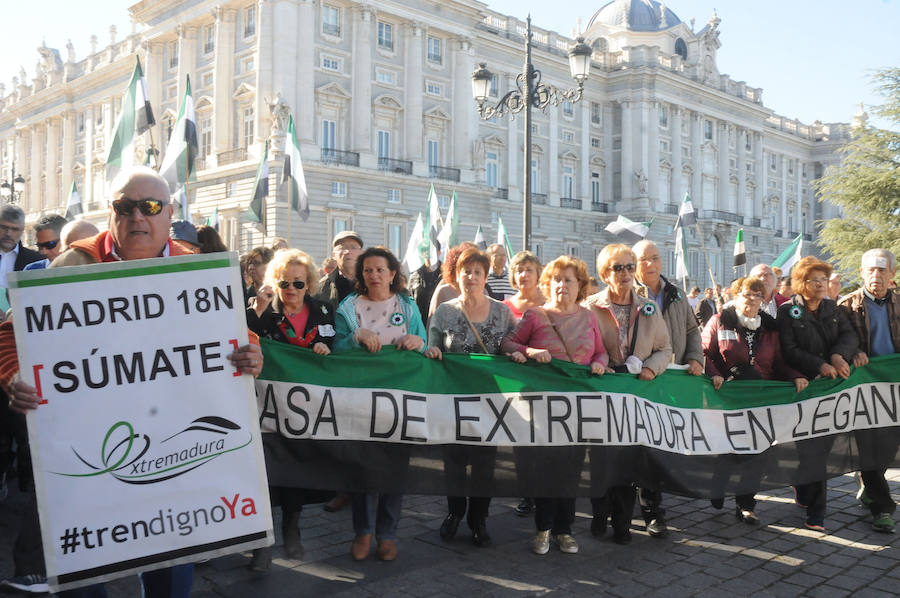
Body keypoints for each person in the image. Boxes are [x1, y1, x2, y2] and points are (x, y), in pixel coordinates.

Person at [0, 166, 264, 598]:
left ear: (170, 213)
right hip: (92, 448)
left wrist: (254, 353)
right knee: (84, 574)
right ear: (111, 213)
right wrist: (14, 376)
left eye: (151, 207)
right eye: (125, 207)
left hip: (174, 446)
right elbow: (11, 333)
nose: (137, 217)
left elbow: (235, 332)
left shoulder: (195, 268)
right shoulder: (75, 262)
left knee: (171, 567)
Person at [502, 256, 609, 556]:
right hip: (543, 406)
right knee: (547, 468)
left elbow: (600, 352)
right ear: (548, 285)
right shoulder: (535, 315)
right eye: (556, 280)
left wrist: (600, 364)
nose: (562, 285)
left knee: (573, 469)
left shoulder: (589, 317)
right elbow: (507, 344)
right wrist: (530, 350)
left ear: (580, 286)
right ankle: (543, 528)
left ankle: (565, 530)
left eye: (568, 280)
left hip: (579, 406)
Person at [333, 246, 426, 562]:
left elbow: (424, 344)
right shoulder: (348, 308)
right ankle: (363, 531)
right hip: (361, 400)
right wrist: (355, 336)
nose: (373, 275)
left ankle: (387, 534)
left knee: (394, 471)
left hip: (400, 401)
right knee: (363, 470)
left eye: (380, 270)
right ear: (361, 275)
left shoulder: (408, 306)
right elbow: (337, 350)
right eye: (368, 270)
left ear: (392, 274)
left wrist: (417, 342)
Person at [245, 249, 335, 570]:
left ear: (309, 283)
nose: (292, 289)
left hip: (305, 409)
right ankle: (262, 543)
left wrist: (328, 348)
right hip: (266, 407)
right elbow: (242, 337)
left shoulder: (325, 310)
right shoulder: (264, 311)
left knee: (296, 469)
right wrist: (258, 308)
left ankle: (292, 527)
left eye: (298, 283)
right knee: (265, 474)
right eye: (285, 282)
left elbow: (339, 347)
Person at [425, 248, 516, 548]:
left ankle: (479, 518)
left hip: (490, 401)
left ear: (486, 277)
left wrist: (515, 352)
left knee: (484, 463)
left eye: (478, 272)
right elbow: (432, 346)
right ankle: (455, 512)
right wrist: (433, 352)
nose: (471, 277)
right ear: (457, 275)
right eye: (466, 271)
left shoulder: (503, 312)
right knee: (453, 460)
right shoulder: (444, 311)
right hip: (452, 399)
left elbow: (512, 345)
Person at [584, 243, 672, 544]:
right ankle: (599, 512)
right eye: (617, 267)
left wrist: (651, 368)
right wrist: (599, 364)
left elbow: (665, 348)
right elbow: (584, 348)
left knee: (629, 460)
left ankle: (622, 522)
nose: (625, 273)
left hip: (635, 391)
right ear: (605, 272)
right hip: (603, 390)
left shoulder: (648, 306)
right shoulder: (590, 306)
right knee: (601, 457)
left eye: (630, 266)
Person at [701, 277, 807, 524]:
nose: (751, 299)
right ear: (735, 295)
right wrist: (715, 374)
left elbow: (779, 361)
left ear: (763, 299)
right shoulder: (720, 321)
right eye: (747, 294)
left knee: (757, 452)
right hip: (730, 396)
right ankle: (720, 480)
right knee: (731, 449)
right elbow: (703, 352)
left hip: (762, 397)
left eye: (757, 295)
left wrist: (796, 376)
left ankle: (746, 504)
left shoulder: (769, 328)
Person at [777, 256, 859, 532]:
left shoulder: (832, 308)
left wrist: (839, 355)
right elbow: (788, 350)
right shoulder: (788, 311)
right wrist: (818, 365)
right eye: (816, 280)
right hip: (805, 388)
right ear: (802, 283)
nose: (823, 284)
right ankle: (808, 497)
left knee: (820, 451)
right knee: (806, 448)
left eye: (825, 279)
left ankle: (817, 511)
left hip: (832, 390)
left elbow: (849, 336)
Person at [632, 240, 703, 538]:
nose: (650, 264)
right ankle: (652, 510)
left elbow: (691, 329)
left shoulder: (676, 293)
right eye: (643, 259)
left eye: (655, 258)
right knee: (645, 443)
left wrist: (696, 357)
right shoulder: (629, 293)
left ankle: (659, 492)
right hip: (643, 378)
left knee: (665, 440)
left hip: (673, 377)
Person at [839, 248, 899, 533]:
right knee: (869, 448)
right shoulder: (845, 306)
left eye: (882, 270)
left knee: (888, 446)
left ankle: (870, 485)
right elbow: (838, 343)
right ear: (861, 272)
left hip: (894, 390)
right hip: (862, 393)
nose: (876, 276)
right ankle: (882, 509)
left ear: (893, 274)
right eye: (871, 270)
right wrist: (853, 353)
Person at [501, 250, 545, 517]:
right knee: (522, 439)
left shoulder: (550, 302)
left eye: (529, 269)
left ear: (539, 273)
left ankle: (546, 490)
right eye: (519, 270)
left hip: (547, 378)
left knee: (546, 436)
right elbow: (501, 341)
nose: (524, 274)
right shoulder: (504, 307)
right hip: (517, 379)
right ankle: (527, 492)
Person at [426, 242, 478, 322]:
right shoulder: (443, 291)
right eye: (466, 270)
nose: (471, 275)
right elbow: (433, 324)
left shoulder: (482, 290)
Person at [316, 230, 363, 309]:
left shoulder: (373, 284)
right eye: (343, 248)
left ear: (361, 253)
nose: (348, 251)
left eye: (353, 247)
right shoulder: (321, 288)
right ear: (334, 255)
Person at [408, 259, 442, 324]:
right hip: (419, 324)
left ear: (439, 252)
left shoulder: (445, 276)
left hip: (439, 324)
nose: (428, 256)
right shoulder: (415, 276)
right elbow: (409, 302)